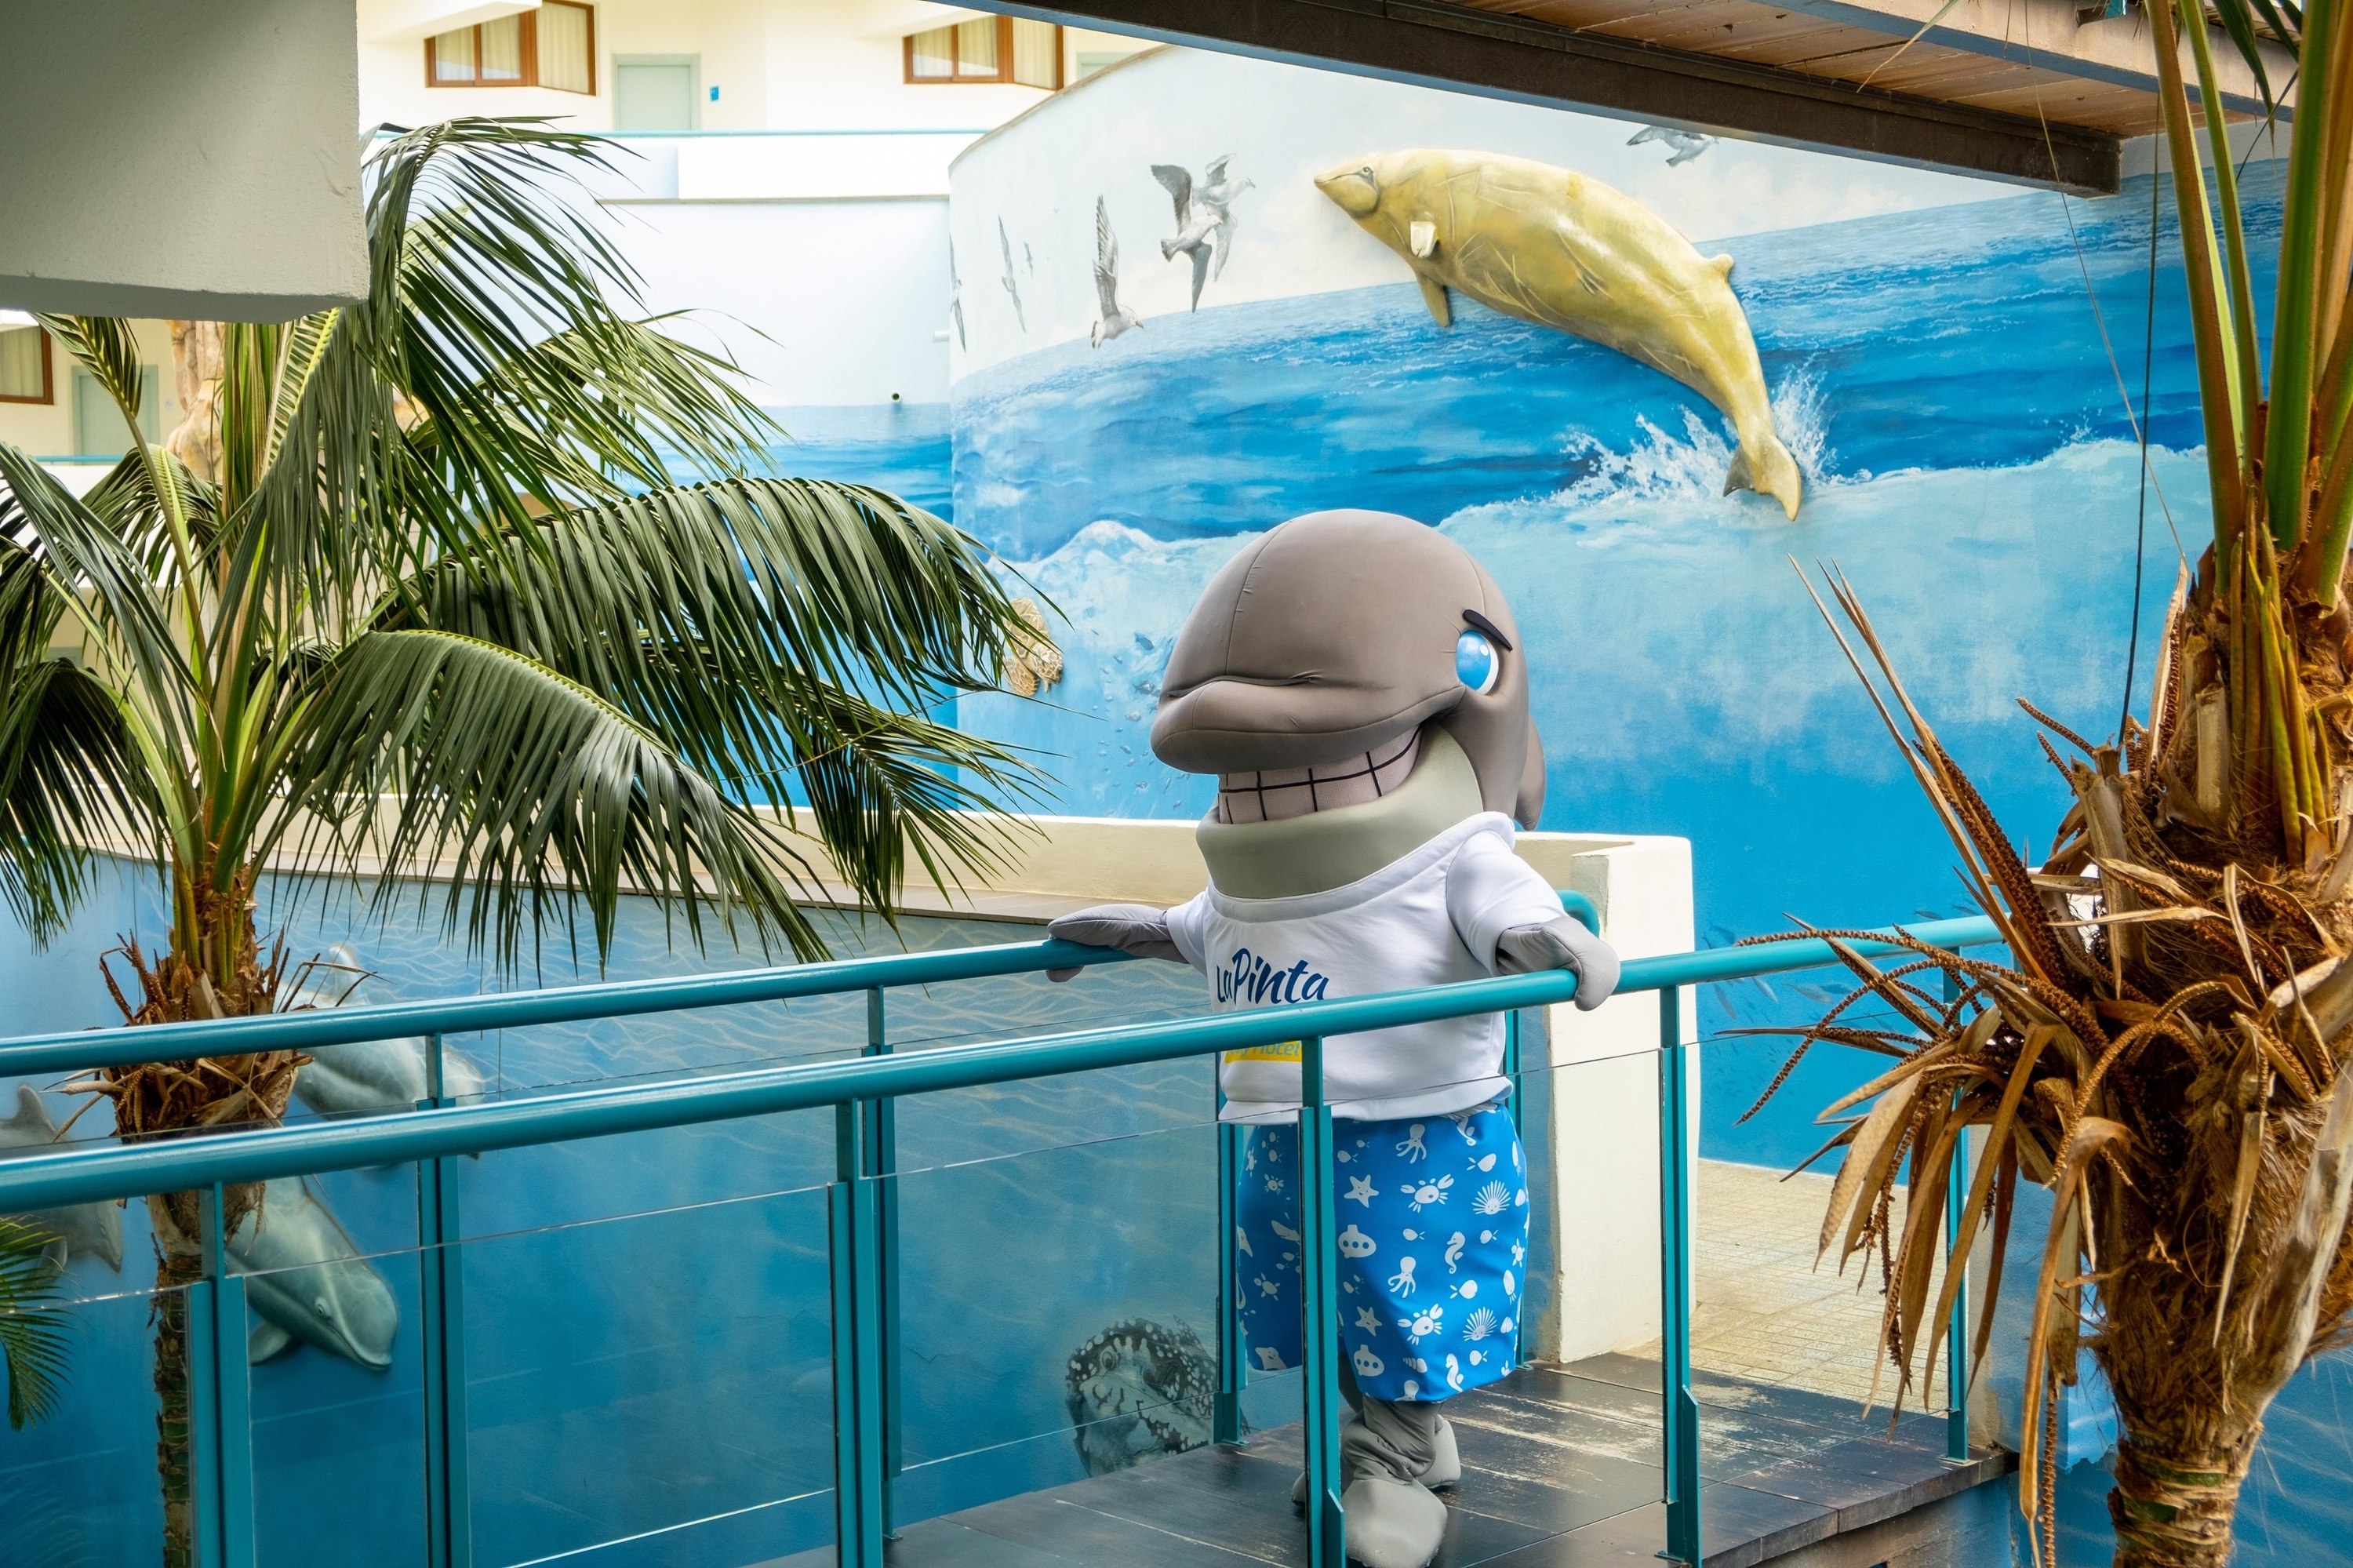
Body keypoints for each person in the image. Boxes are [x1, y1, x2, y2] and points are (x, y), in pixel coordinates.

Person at [1049, 509, 1619, 1568]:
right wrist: (1114, 930)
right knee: (1313, 1295)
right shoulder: (1251, 887)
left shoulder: (1459, 852)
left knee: (1401, 1294)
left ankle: (1399, 1453)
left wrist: (1555, 942)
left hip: (1414, 1132)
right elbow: (1196, 930)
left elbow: (1513, 909)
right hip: (1281, 1126)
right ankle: (1378, 1443)